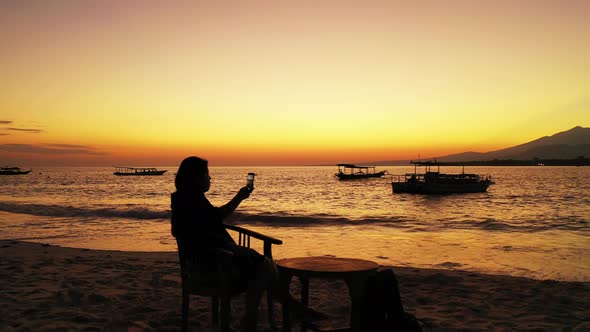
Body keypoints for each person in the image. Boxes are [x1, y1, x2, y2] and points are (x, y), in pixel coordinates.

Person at [171, 156, 321, 331]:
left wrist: (239, 197)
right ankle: (265, 315)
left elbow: (213, 219)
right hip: (212, 266)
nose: (210, 178)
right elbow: (197, 236)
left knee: (264, 266)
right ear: (195, 177)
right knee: (264, 268)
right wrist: (232, 249)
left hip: (214, 259)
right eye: (207, 174)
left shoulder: (189, 198)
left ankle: (288, 309)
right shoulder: (190, 201)